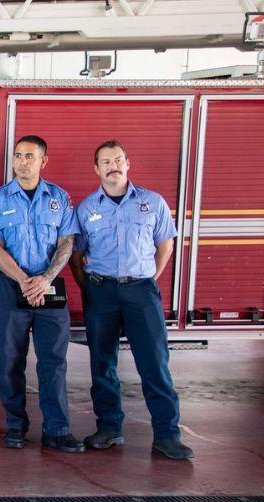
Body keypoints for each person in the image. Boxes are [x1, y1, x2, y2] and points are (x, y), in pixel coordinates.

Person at [70, 140, 193, 460]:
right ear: (96, 168)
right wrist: (91, 288)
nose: (113, 166)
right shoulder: (86, 209)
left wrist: (148, 277)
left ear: (128, 164)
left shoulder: (153, 203)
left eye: (118, 160)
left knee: (154, 363)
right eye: (105, 161)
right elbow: (77, 254)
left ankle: (167, 435)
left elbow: (165, 244)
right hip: (101, 291)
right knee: (102, 363)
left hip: (141, 291)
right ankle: (109, 428)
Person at [0, 135, 84, 453]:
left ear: (43, 161)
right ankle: (15, 426)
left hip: (49, 289)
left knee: (53, 362)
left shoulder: (59, 198)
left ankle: (57, 429)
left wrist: (46, 279)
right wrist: (26, 280)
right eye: (18, 155)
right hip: (12, 288)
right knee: (10, 361)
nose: (22, 161)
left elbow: (67, 243)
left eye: (29, 156)